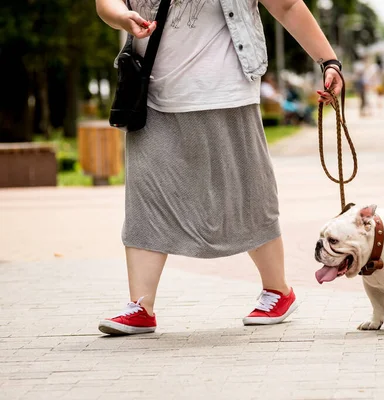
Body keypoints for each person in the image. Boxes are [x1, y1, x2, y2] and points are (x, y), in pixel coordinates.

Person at [95, 0, 344, 335]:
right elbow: (105, 2)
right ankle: (141, 305)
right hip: (150, 94)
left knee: (245, 194)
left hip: (225, 92)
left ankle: (278, 290)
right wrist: (122, 17)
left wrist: (328, 60)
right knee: (147, 198)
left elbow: (286, 6)